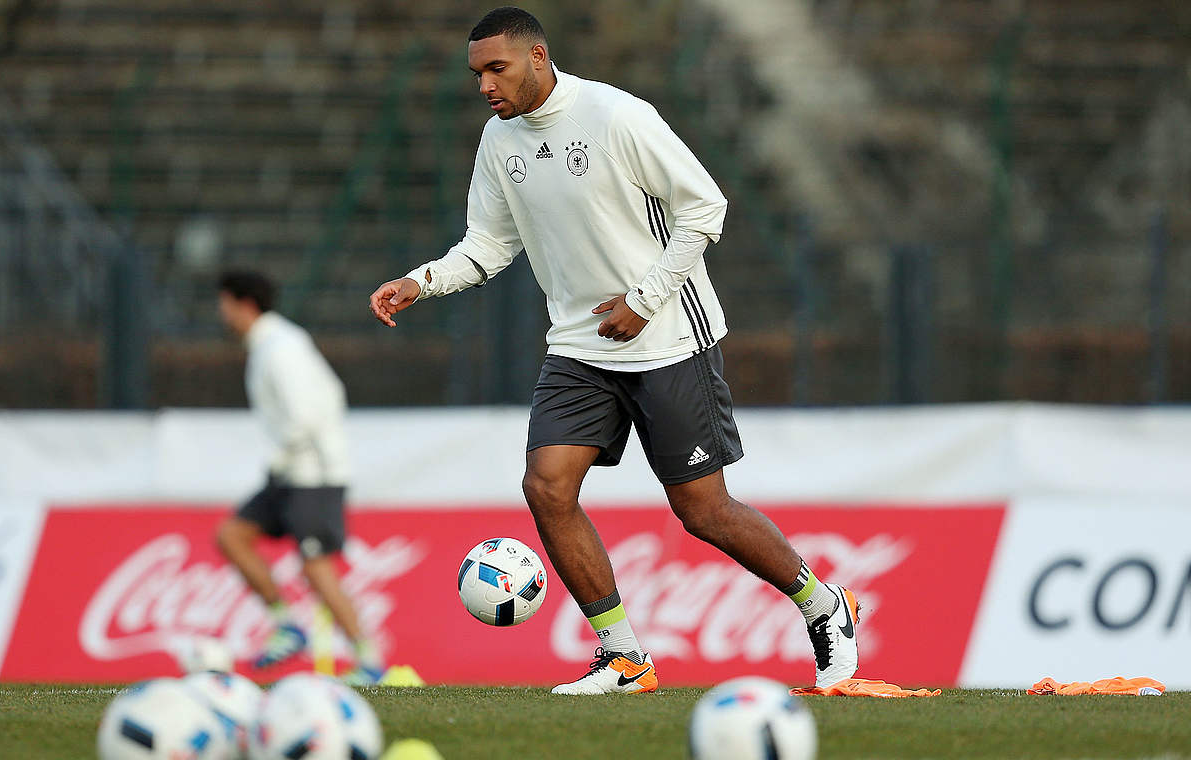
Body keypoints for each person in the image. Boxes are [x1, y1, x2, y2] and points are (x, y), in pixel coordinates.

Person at [367, 7, 859, 695]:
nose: (484, 86)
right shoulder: (497, 139)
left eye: (496, 69)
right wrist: (421, 282)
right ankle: (624, 657)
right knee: (546, 487)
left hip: (667, 335)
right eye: (476, 74)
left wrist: (644, 299)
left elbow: (705, 208)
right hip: (578, 343)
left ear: (538, 57)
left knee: (703, 511)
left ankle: (822, 604)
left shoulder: (617, 115)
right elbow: (489, 244)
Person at [216, 269, 385, 683]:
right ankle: (287, 626)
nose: (222, 315)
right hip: (292, 472)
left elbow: (308, 413)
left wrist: (284, 455)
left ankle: (368, 661)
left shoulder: (280, 347)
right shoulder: (271, 344)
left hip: (313, 473)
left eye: (225, 305)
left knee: (316, 567)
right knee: (232, 536)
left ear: (245, 304)